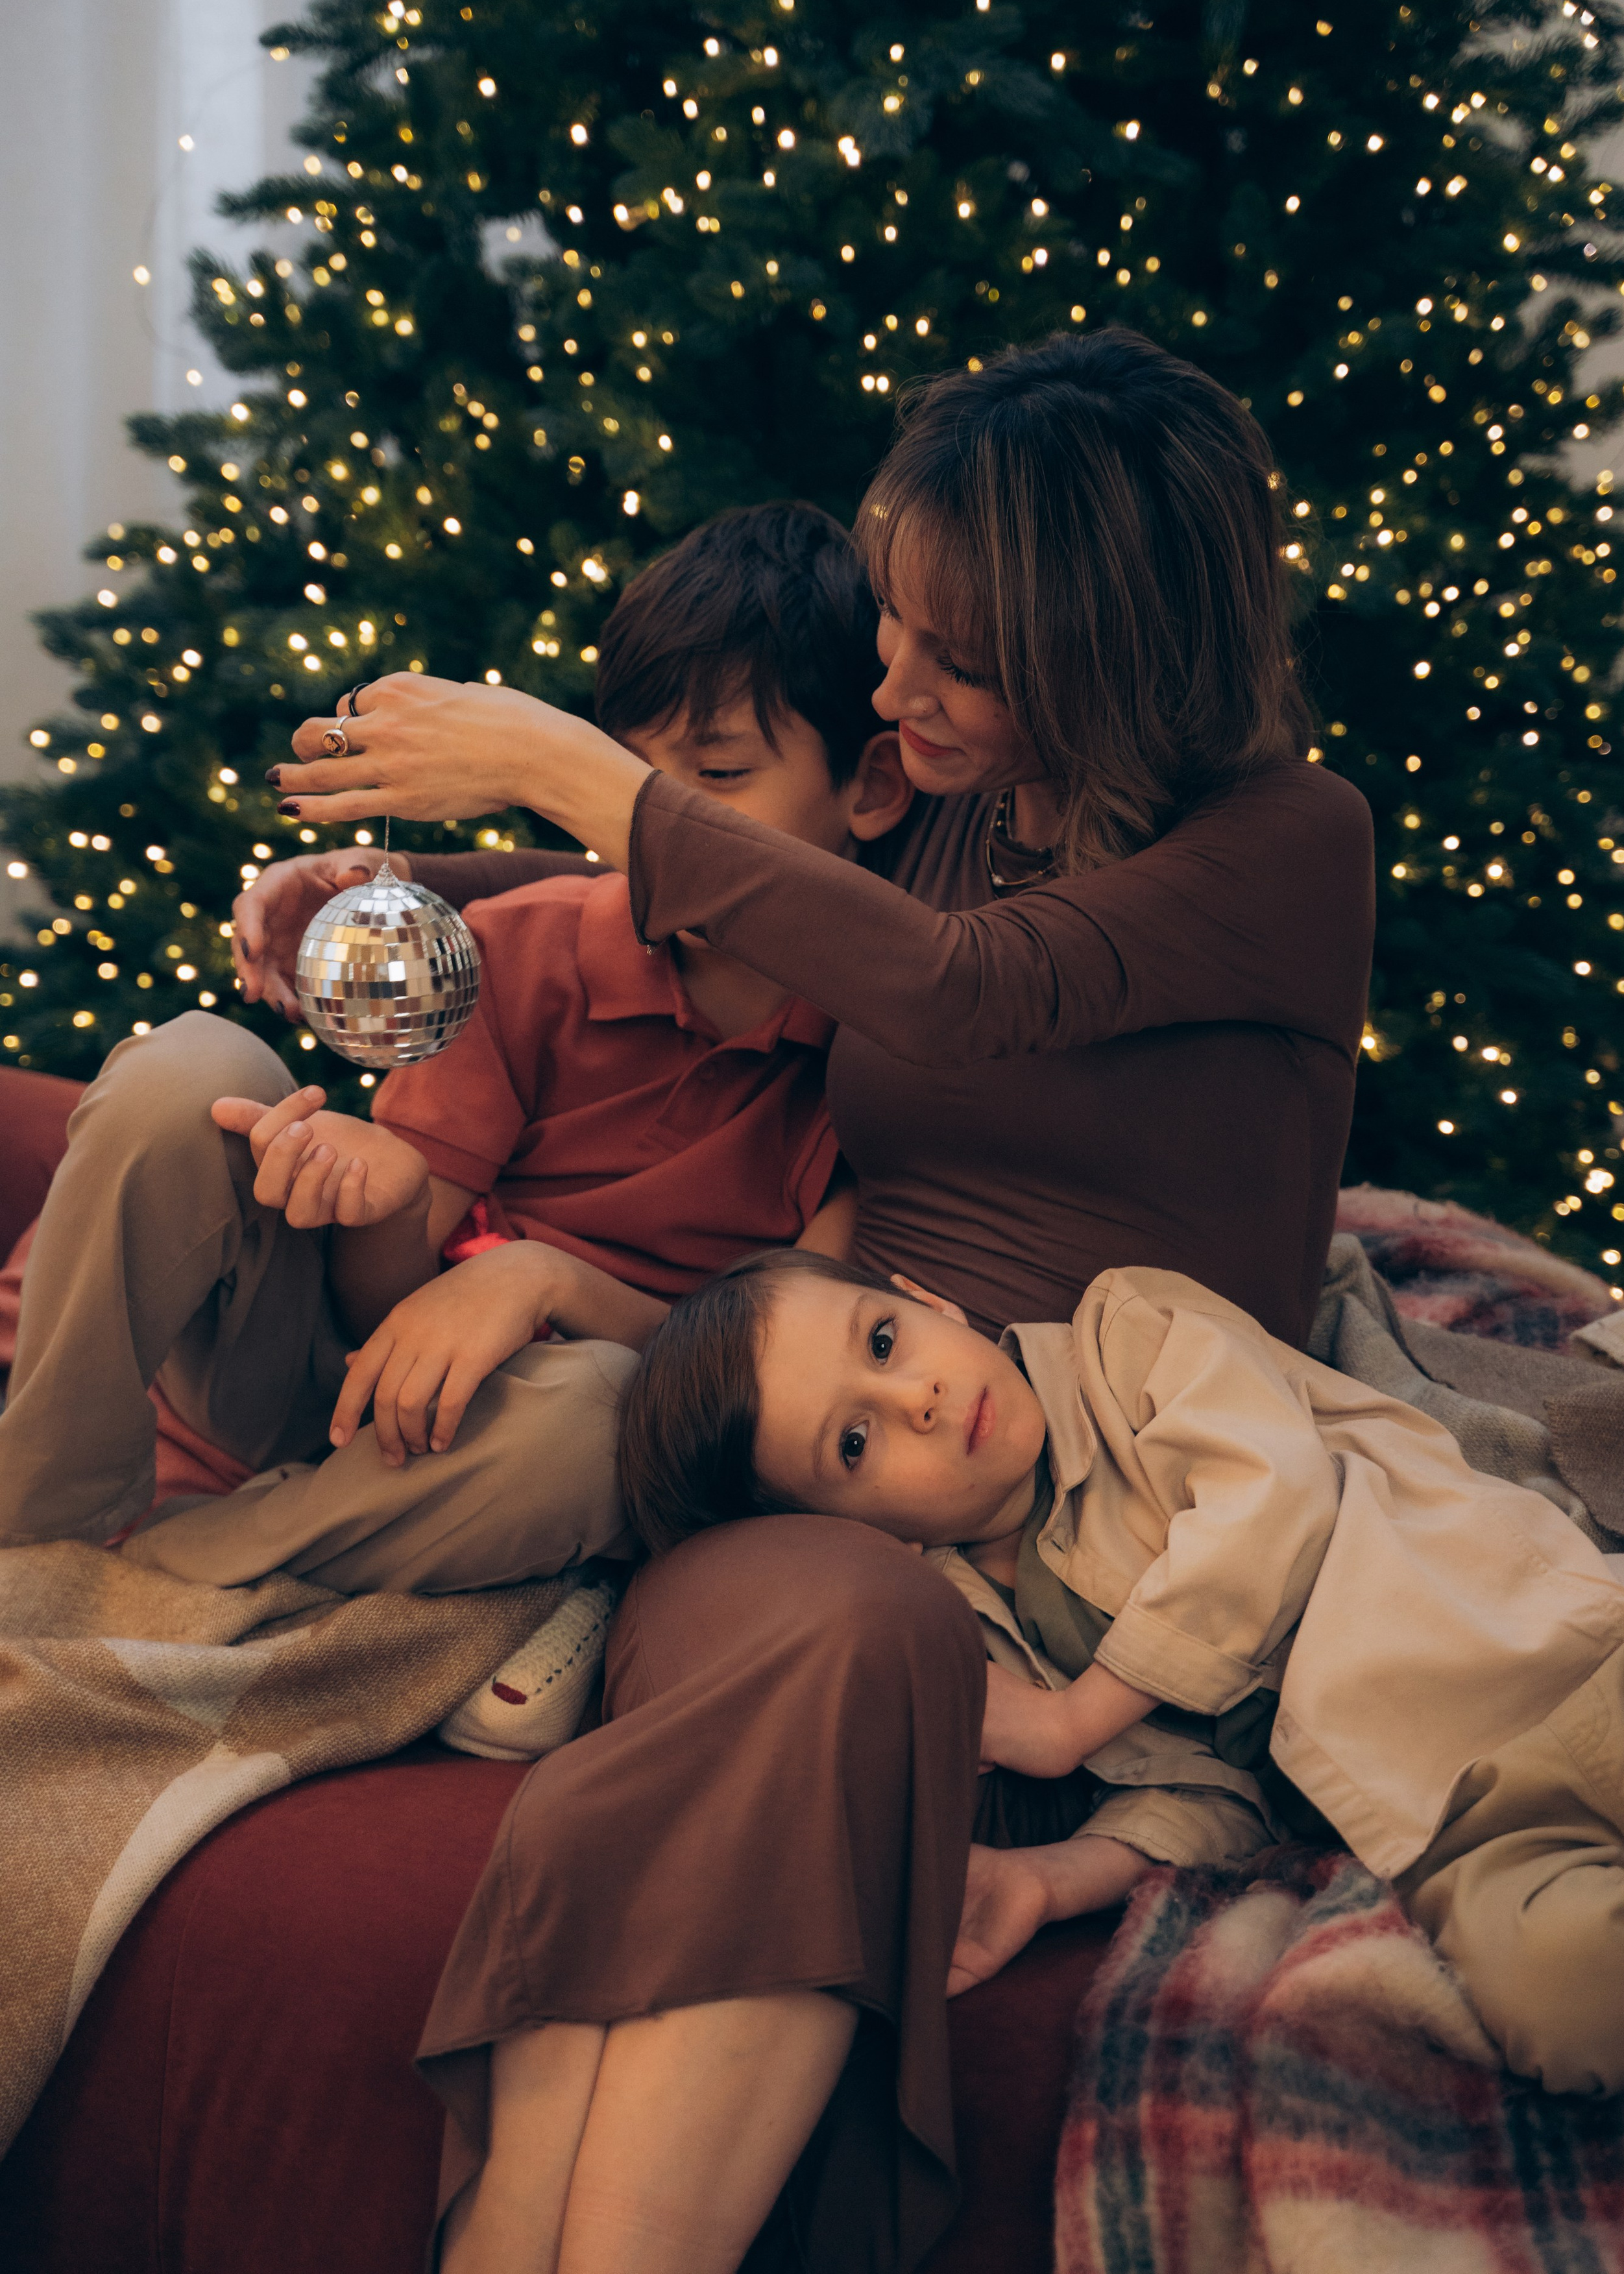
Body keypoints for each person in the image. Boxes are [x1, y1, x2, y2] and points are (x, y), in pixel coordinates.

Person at [245, 329, 1379, 2273]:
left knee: (852, 1652)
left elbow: (962, 988)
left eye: (954, 653)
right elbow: (734, 883)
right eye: (899, 629)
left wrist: (559, 766)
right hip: (812, 1423)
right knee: (814, 1607)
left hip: (1071, 1505)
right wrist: (374, 893)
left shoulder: (1285, 846)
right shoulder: (945, 791)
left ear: (1106, 655)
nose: (891, 684)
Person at [0, 502, 909, 1597]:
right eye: (622, 783)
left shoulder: (867, 1070)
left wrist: (547, 1283)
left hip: (512, 1452)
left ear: (871, 788)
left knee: (593, 1417)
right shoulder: (524, 952)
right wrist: (380, 1203)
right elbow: (372, 1318)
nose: (649, 829)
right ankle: (30, 1526)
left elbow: (764, 1384)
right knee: (189, 1068)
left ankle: (147, 1582)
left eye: (714, 780)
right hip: (320, 1377)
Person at [616, 1244, 1624, 2096]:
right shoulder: (981, 1631)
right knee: (1575, 2010)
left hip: (1573, 1657)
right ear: (859, 1541)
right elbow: (1210, 1786)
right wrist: (1054, 1877)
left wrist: (1075, 1720)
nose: (917, 1400)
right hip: (1455, 1821)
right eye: (854, 1443)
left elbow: (1274, 1501)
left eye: (885, 1343)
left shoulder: (1130, 1337)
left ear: (925, 1298)